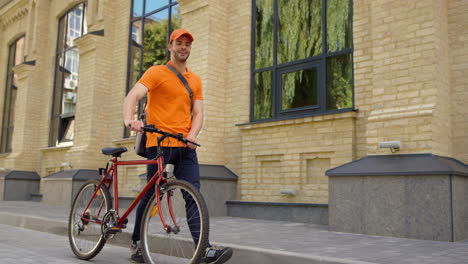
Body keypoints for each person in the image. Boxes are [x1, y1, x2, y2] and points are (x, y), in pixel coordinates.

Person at [123, 29, 233, 264]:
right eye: (179, 43)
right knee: (152, 195)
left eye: (187, 44)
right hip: (159, 144)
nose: (183, 47)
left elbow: (199, 112)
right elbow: (132, 96)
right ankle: (137, 243)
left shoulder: (195, 80)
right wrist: (130, 119)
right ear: (170, 46)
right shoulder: (156, 72)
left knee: (193, 195)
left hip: (185, 146)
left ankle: (203, 249)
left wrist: (192, 135)